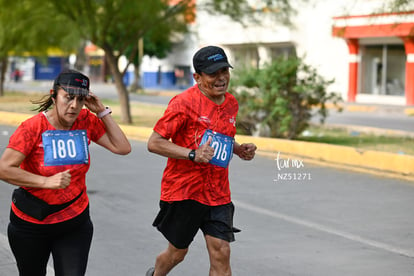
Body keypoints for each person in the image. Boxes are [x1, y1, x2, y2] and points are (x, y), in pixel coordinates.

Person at [0, 69, 131, 276]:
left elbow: (122, 147)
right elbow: (4, 169)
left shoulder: (85, 120)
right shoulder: (33, 128)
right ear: (54, 95)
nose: (74, 106)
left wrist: (101, 112)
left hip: (73, 220)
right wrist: (45, 182)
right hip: (31, 224)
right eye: (68, 98)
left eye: (80, 100)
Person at [146, 46, 257, 276]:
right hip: (184, 191)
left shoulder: (231, 104)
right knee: (177, 252)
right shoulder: (182, 104)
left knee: (221, 251)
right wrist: (192, 154)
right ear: (197, 77)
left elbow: (223, 136)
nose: (221, 78)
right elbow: (154, 142)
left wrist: (238, 149)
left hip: (217, 192)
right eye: (214, 73)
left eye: (224, 70)